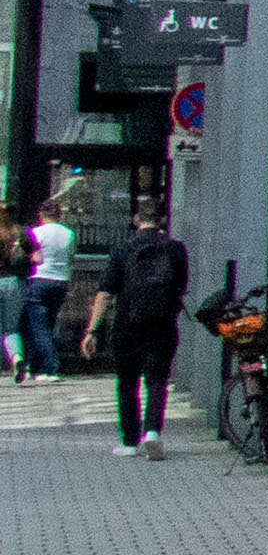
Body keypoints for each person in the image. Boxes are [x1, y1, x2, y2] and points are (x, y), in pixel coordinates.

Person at [88, 195, 186, 457]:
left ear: (136, 220)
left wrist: (92, 329)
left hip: (127, 325)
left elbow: (105, 293)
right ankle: (152, 432)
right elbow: (181, 287)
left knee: (127, 382)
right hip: (163, 324)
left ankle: (130, 442)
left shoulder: (122, 251)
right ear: (163, 220)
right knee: (157, 380)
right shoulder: (176, 250)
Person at [14, 181, 65, 380]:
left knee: (36, 326)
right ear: (58, 214)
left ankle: (50, 367)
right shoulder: (69, 234)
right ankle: (37, 367)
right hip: (61, 281)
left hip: (38, 279)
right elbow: (70, 258)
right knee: (49, 323)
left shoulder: (35, 233)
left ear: (41, 215)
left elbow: (27, 256)